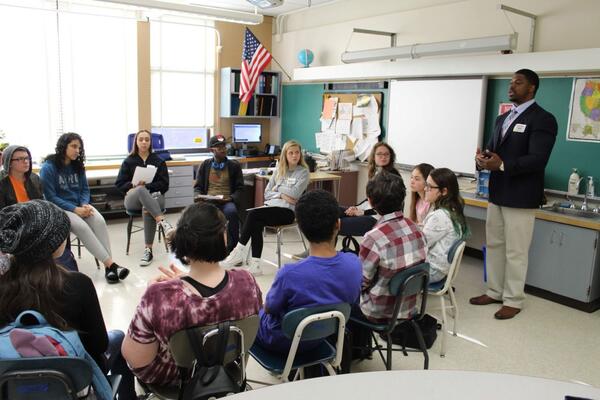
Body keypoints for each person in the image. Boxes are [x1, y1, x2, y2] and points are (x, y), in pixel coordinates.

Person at [0, 200, 136, 400]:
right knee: (119, 337)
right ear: (54, 244)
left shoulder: (4, 288)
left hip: (12, 379)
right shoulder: (78, 284)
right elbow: (98, 345)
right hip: (75, 377)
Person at [121, 202, 263, 387]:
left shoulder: (158, 296)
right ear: (224, 238)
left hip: (176, 381)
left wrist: (151, 297)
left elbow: (137, 360)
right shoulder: (248, 281)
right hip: (227, 370)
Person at [471, 68, 558, 320]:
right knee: (495, 245)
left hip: (521, 196)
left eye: (518, 83)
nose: (511, 86)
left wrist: (502, 164)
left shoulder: (543, 119)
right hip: (497, 193)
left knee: (516, 251)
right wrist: (483, 160)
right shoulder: (503, 119)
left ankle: (514, 299)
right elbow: (493, 152)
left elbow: (538, 159)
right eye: (511, 82)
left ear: (531, 88)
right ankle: (495, 291)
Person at [254, 190, 362, 354]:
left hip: (283, 341)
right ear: (338, 224)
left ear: (301, 228)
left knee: (250, 308)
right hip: (324, 336)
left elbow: (270, 308)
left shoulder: (289, 274)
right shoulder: (354, 263)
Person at [40, 133, 129, 284]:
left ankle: (109, 268)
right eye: (73, 146)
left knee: (100, 221)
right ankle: (112, 265)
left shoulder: (78, 166)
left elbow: (85, 190)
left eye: (79, 148)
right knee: (82, 228)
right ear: (63, 146)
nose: (77, 151)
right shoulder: (49, 167)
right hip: (61, 208)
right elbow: (50, 197)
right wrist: (74, 209)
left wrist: (84, 204)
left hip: (80, 206)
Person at [221, 140, 310, 275]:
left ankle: (238, 251)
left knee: (253, 215)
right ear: (285, 155)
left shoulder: (303, 172)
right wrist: (282, 194)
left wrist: (277, 189)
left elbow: (295, 193)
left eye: (297, 152)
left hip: (288, 211)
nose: (294, 156)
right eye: (290, 153)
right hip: (270, 207)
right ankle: (256, 265)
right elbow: (267, 193)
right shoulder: (279, 170)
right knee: (256, 221)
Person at [355, 171, 427, 323]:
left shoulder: (374, 238)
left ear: (370, 201)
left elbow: (360, 283)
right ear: (402, 198)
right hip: (409, 308)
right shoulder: (417, 230)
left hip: (378, 312)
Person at [0, 144, 78, 271]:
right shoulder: (2, 183)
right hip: (15, 224)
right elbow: (3, 214)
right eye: (19, 159)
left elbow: (42, 203)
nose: (25, 161)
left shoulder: (34, 178)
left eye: (27, 158)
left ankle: (65, 268)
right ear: (9, 162)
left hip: (36, 220)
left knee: (62, 226)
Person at [115, 129, 172, 266]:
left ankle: (148, 251)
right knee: (140, 189)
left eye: (147, 139)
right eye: (141, 139)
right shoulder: (129, 161)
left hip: (154, 197)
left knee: (147, 206)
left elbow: (164, 185)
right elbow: (119, 184)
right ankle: (163, 222)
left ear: (151, 142)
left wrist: (148, 186)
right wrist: (133, 185)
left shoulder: (159, 161)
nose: (144, 142)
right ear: (136, 142)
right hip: (133, 199)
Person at [193, 135, 245, 253]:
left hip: (227, 201)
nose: (223, 149)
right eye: (219, 147)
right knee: (200, 215)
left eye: (224, 146)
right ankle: (204, 247)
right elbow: (198, 187)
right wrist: (198, 197)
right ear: (211, 150)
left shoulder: (234, 166)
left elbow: (240, 189)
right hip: (209, 200)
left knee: (231, 212)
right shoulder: (205, 165)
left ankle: (233, 249)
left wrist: (231, 198)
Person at [338, 142, 401, 237]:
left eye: (386, 154)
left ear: (391, 157)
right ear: (374, 156)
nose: (383, 157)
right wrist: (355, 207)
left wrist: (362, 212)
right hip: (368, 211)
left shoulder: (392, 176)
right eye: (379, 154)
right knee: (333, 210)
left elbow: (384, 206)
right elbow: (369, 198)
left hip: (378, 218)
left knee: (335, 224)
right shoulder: (376, 172)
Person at [422, 168, 468, 283]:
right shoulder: (452, 210)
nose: (425, 189)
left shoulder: (439, 216)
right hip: (441, 269)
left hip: (432, 271)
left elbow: (420, 244)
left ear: (444, 191)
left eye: (429, 186)